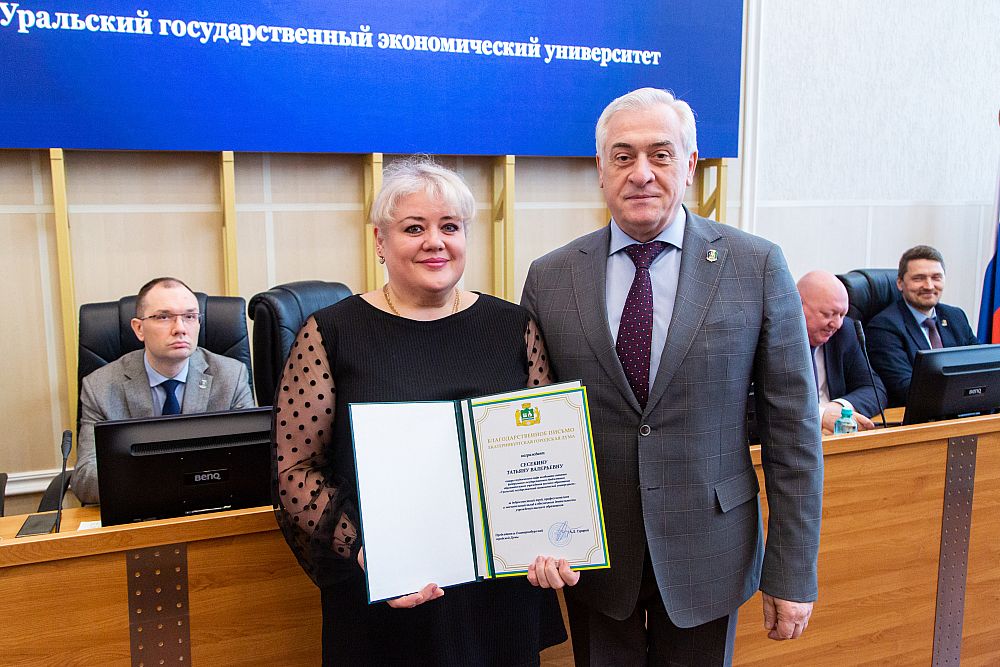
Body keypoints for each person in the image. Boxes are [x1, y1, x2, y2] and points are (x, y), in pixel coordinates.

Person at [521, 88, 824, 665]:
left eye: (660, 155)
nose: (641, 173)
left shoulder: (756, 266)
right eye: (623, 156)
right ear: (601, 169)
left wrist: (792, 571)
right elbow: (533, 423)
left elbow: (794, 434)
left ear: (689, 164)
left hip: (711, 552)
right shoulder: (551, 277)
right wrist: (536, 533)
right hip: (593, 559)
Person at [272, 158, 574, 666]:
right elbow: (296, 470)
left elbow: (546, 454)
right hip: (388, 592)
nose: (435, 242)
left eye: (450, 227)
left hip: (496, 597)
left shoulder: (513, 326)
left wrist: (555, 537)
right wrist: (369, 552)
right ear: (380, 241)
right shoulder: (330, 332)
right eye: (414, 228)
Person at [72, 277, 254, 504]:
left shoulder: (231, 376)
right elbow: (85, 478)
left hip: (211, 506)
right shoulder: (100, 387)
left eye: (190, 317)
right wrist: (167, 483)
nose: (180, 329)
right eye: (164, 317)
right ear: (139, 328)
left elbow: (251, 464)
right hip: (140, 511)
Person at [867, 245, 978, 407]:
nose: (929, 286)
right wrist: (968, 391)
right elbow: (905, 388)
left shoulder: (956, 316)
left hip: (964, 411)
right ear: (900, 283)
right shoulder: (884, 327)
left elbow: (981, 366)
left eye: (936, 277)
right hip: (915, 416)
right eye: (918, 278)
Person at [797, 270, 887, 433]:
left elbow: (874, 390)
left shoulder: (846, 331)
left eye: (842, 314)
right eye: (828, 314)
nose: (837, 324)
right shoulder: (772, 340)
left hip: (835, 435)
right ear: (797, 305)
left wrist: (838, 407)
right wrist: (821, 415)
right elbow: (770, 403)